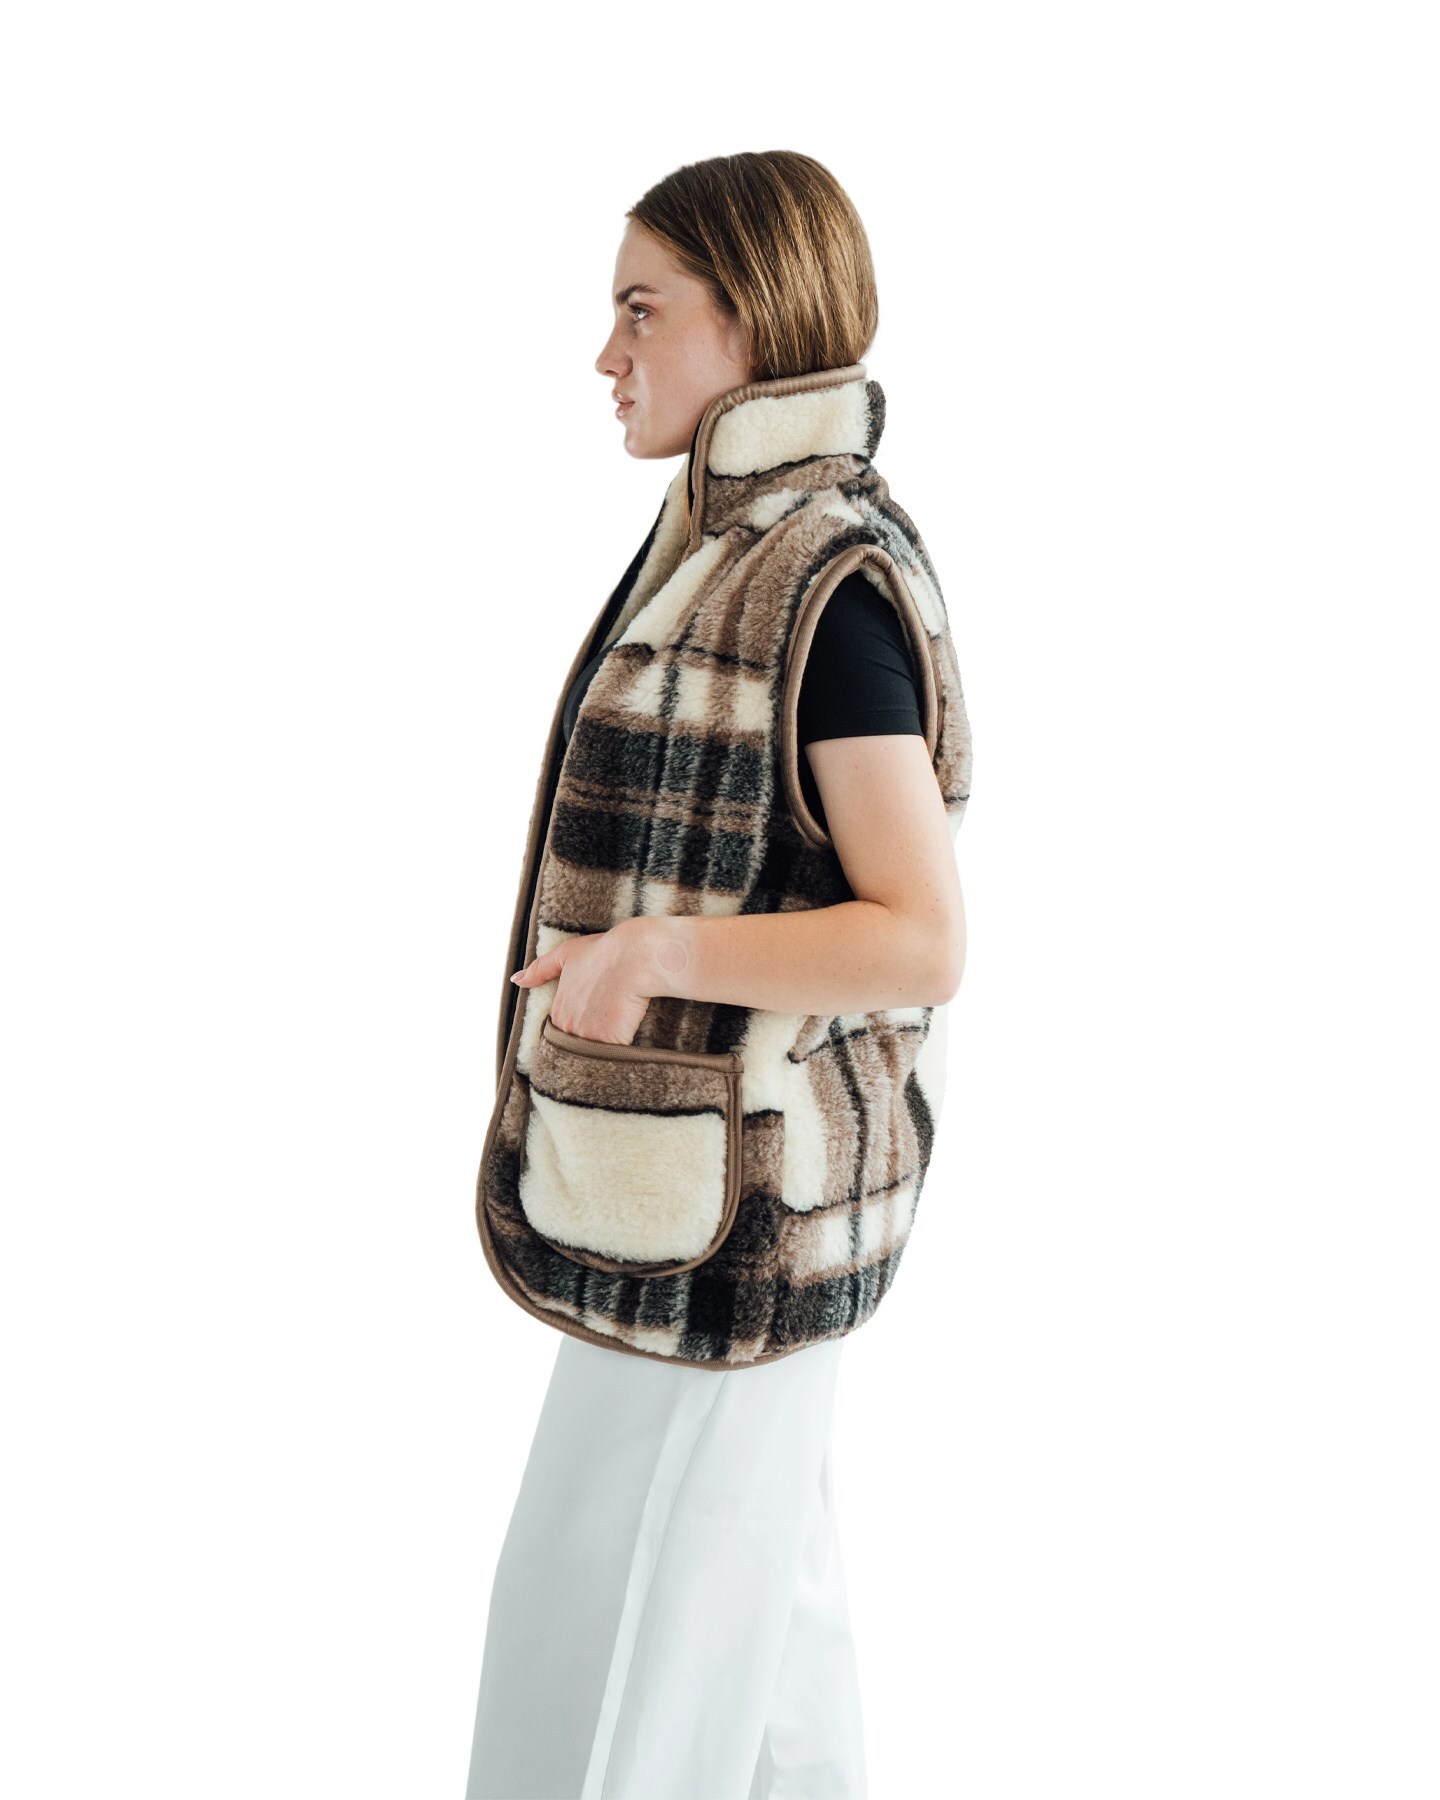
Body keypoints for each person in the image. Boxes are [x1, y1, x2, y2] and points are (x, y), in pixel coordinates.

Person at [466, 151, 970, 1799]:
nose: (605, 354)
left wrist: (660, 954)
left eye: (640, 309)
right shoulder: (731, 542)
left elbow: (921, 933)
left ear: (747, 322)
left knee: (611, 1645)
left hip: (727, 1206)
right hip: (694, 1185)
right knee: (759, 1652)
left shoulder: (816, 579)